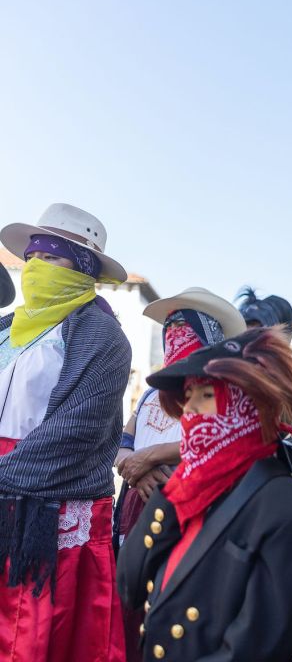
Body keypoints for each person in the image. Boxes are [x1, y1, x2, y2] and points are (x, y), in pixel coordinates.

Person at [117, 326, 292, 662]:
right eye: (188, 396)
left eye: (205, 395)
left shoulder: (291, 513)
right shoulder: (188, 494)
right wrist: (175, 492)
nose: (189, 411)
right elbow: (129, 584)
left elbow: (254, 650)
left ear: (245, 403)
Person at [0, 202, 131, 662]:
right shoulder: (6, 330)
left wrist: (4, 474)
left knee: (32, 629)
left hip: (47, 496)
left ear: (82, 267)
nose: (36, 266)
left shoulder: (103, 336)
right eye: (31, 257)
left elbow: (78, 430)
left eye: (51, 257)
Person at [114, 287, 246, 662]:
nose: (174, 335)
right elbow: (125, 440)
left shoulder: (217, 387)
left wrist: (151, 456)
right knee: (131, 610)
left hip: (186, 509)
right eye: (169, 328)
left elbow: (213, 438)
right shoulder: (151, 393)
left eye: (184, 327)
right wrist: (134, 466)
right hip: (137, 508)